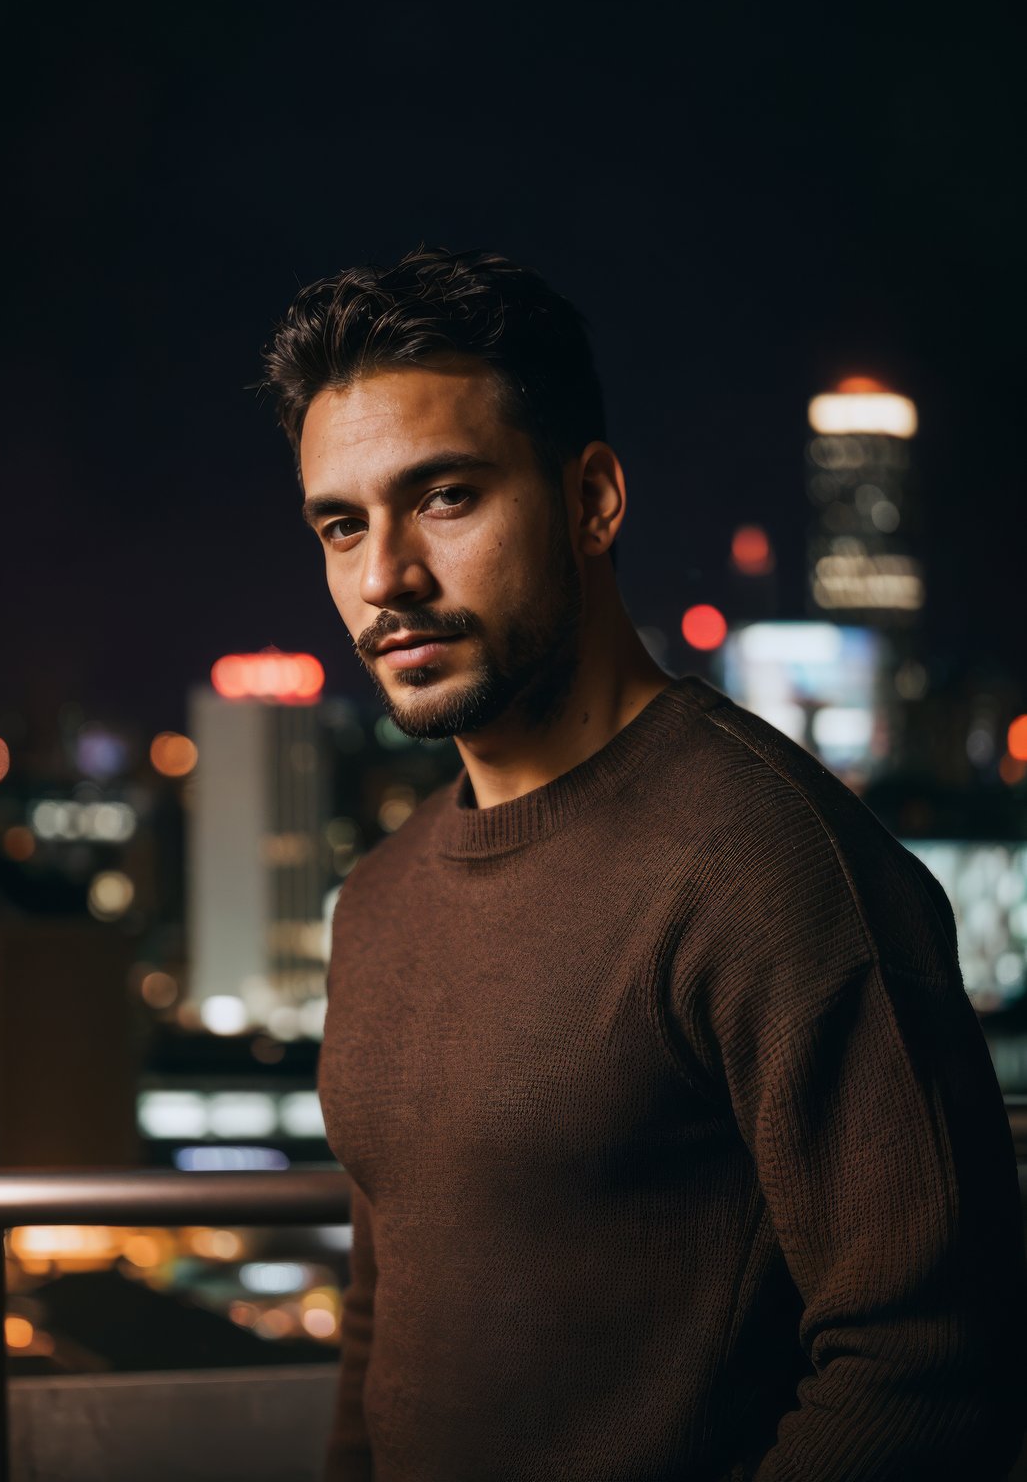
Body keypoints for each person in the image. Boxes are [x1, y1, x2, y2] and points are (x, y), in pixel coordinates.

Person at [262, 247, 1026, 1481]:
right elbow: (381, 1319)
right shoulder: (382, 899)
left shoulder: (771, 866)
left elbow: (928, 1359)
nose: (381, 577)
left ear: (592, 500)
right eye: (341, 524)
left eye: (445, 496)